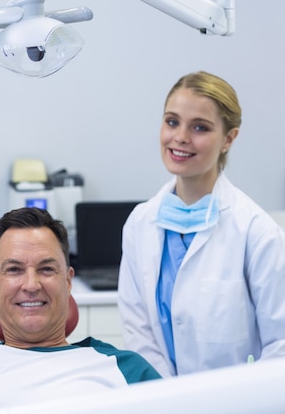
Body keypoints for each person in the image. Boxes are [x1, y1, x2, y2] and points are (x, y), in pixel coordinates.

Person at [0, 207, 160, 414]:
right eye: (14, 270)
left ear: (68, 281)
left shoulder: (128, 370)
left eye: (47, 269)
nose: (31, 285)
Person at [118, 71, 285, 378]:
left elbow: (281, 346)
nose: (180, 137)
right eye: (172, 121)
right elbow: (138, 330)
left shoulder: (257, 232)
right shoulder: (140, 224)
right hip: (160, 400)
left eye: (200, 127)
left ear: (228, 139)